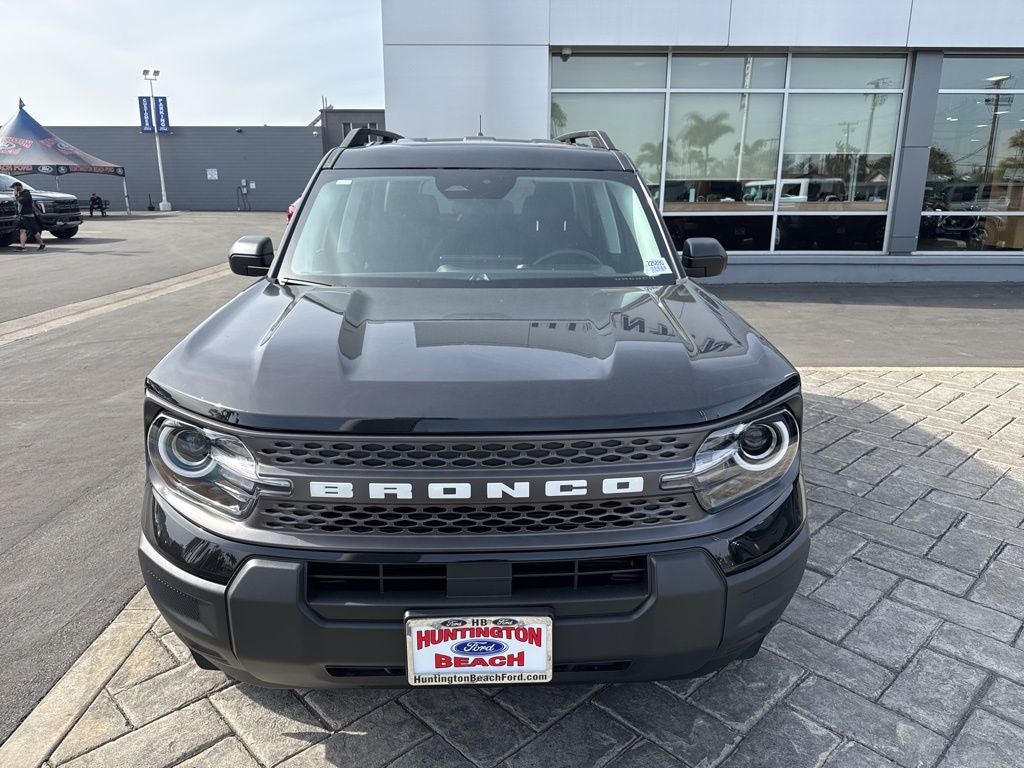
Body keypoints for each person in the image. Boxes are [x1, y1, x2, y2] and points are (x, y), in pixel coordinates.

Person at [11, 181, 44, 251]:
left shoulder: (26, 194)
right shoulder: (20, 194)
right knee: (22, 231)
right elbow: (19, 206)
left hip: (28, 216)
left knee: (34, 232)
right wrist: (16, 214)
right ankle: (22, 247)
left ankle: (42, 244)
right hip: (22, 216)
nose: (13, 190)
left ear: (18, 187)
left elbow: (22, 202)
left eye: (14, 188)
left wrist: (16, 195)